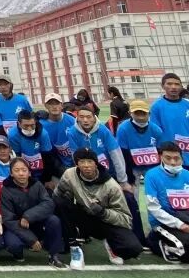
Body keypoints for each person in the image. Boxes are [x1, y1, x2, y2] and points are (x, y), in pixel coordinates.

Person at [64, 107, 145, 246]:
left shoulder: (103, 130)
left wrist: (123, 181)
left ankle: (139, 236)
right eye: (82, 117)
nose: (85, 120)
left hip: (109, 175)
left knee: (129, 199)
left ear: (94, 117)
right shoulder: (72, 132)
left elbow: (116, 155)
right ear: (77, 118)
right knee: (79, 202)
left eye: (88, 117)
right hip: (88, 177)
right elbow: (75, 157)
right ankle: (84, 233)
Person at [55, 149, 142, 266]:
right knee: (60, 202)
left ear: (96, 164)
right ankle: (74, 246)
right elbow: (57, 195)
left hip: (105, 221)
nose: (86, 165)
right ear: (76, 164)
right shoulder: (70, 174)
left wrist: (103, 212)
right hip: (83, 216)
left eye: (90, 161)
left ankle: (110, 243)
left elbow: (125, 219)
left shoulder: (111, 186)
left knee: (133, 248)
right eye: (82, 162)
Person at [1, 158, 67, 268]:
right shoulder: (6, 190)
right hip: (17, 226)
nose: (21, 173)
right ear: (11, 174)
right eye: (17, 170)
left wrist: (28, 216)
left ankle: (54, 255)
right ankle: (19, 253)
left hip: (36, 223)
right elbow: (9, 219)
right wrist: (31, 239)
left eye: (24, 170)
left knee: (54, 220)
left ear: (29, 172)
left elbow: (48, 204)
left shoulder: (37, 184)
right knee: (13, 245)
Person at [151, 73, 189, 194]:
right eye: (169, 84)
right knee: (178, 191)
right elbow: (155, 133)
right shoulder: (157, 107)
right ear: (163, 86)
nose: (173, 87)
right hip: (172, 157)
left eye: (177, 84)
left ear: (181, 87)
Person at [115, 100, 164, 185]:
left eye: (143, 113)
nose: (141, 116)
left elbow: (160, 151)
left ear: (149, 114)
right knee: (132, 190)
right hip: (131, 166)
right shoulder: (123, 129)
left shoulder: (156, 130)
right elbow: (123, 153)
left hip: (152, 166)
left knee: (156, 188)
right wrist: (129, 174)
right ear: (130, 113)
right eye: (137, 113)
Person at [7, 111, 58, 184]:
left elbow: (48, 158)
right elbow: (17, 157)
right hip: (24, 171)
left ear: (36, 123)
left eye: (32, 125)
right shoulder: (13, 135)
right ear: (19, 124)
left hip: (42, 168)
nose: (29, 129)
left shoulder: (43, 134)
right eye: (26, 126)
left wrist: (47, 179)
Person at [39, 93, 76, 176]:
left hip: (75, 160)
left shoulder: (72, 120)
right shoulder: (41, 125)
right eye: (50, 104)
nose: (54, 106)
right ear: (46, 106)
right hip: (57, 163)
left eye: (57, 103)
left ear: (61, 105)